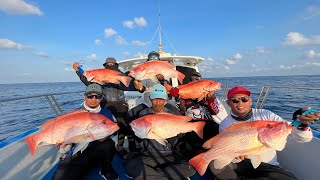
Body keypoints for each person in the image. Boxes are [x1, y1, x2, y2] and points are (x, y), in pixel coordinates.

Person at [210, 86, 320, 180]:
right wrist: (236, 156)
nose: (240, 103)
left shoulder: (266, 115)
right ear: (228, 103)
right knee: (215, 167)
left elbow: (302, 138)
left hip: (268, 165)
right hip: (240, 165)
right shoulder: (225, 124)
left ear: (250, 101)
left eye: (244, 99)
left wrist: (301, 125)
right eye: (235, 100)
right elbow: (226, 149)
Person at [73, 57, 146, 156]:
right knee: (104, 124)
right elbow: (87, 81)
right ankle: (101, 146)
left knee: (124, 124)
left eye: (112, 64)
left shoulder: (121, 75)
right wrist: (78, 70)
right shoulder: (99, 74)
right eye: (108, 64)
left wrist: (141, 88)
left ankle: (128, 147)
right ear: (105, 65)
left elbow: (134, 85)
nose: (110, 65)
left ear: (116, 65)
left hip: (120, 103)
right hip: (104, 104)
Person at [124, 84, 196, 179]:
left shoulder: (172, 113)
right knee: (130, 167)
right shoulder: (143, 114)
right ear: (150, 99)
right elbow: (139, 138)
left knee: (191, 168)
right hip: (148, 155)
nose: (158, 103)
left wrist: (177, 135)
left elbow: (176, 139)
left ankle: (153, 175)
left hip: (169, 154)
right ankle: (166, 174)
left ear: (165, 100)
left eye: (161, 99)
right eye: (155, 99)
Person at [53, 83, 118, 180]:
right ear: (84, 96)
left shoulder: (107, 113)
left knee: (109, 144)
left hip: (97, 150)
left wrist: (107, 135)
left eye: (97, 96)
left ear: (102, 97)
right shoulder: (74, 113)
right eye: (90, 96)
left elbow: (114, 129)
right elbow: (65, 135)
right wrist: (64, 144)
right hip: (77, 153)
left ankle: (106, 168)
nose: (93, 99)